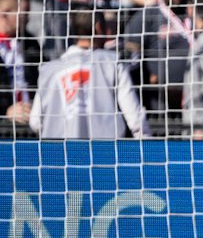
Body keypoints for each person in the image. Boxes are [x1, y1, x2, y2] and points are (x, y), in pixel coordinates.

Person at [29, 10, 151, 140]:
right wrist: (149, 149)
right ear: (98, 28)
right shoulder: (112, 62)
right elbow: (135, 117)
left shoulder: (50, 70)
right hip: (104, 151)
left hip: (60, 153)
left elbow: (35, 122)